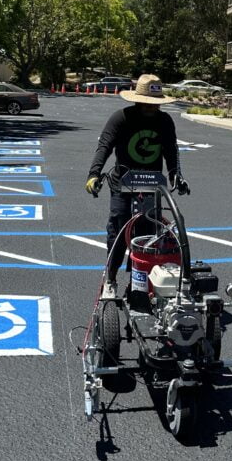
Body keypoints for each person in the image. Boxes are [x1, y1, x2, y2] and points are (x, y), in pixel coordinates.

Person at [85, 74, 189, 297]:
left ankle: (139, 281)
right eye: (149, 103)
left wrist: (175, 176)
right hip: (122, 183)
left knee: (149, 234)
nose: (153, 108)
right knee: (119, 230)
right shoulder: (121, 118)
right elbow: (104, 146)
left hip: (153, 186)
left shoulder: (164, 121)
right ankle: (110, 280)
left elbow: (171, 151)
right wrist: (93, 175)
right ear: (138, 100)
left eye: (156, 104)